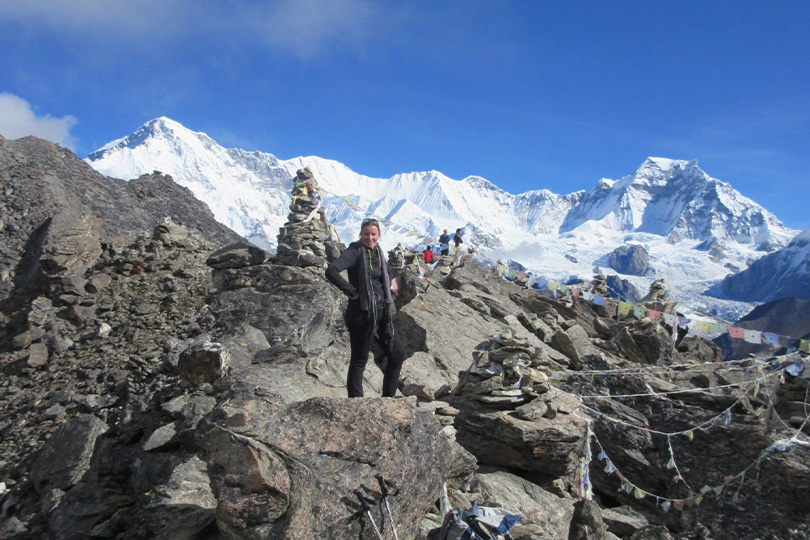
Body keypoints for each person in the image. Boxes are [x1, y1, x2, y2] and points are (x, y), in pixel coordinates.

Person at [326, 218, 406, 397]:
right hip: (361, 314)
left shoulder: (378, 252)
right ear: (360, 234)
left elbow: (386, 274)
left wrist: (392, 290)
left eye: (373, 234)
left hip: (382, 313)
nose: (370, 238)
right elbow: (331, 270)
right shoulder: (355, 252)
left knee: (397, 355)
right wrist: (352, 292)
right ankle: (356, 404)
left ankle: (388, 401)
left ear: (379, 235)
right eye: (366, 234)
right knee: (359, 360)